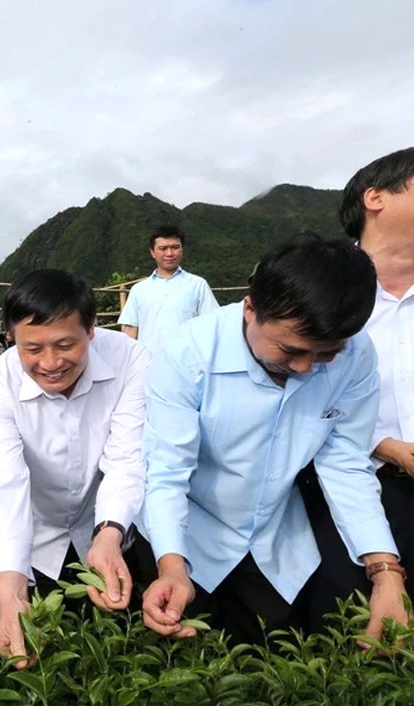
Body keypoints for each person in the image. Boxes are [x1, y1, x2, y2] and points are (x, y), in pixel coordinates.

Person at [139, 235, 408, 646]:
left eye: (324, 356)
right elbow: (166, 471)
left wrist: (386, 571)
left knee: (277, 659)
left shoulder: (355, 356)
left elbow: (345, 462)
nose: (303, 368)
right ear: (250, 308)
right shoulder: (188, 353)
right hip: (189, 532)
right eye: (290, 350)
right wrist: (173, 565)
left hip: (274, 538)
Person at [0, 269, 149, 668]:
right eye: (31, 349)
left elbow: (127, 457)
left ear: (91, 329)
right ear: (10, 338)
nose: (50, 363)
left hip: (109, 530)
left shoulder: (130, 358)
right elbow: (5, 481)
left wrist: (108, 535)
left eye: (65, 345)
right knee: (39, 658)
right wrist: (10, 588)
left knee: (118, 657)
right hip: (33, 542)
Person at [302, 148, 414, 627]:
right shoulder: (320, 289)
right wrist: (387, 446)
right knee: (346, 623)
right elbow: (297, 399)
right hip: (352, 482)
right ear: (375, 198)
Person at [118, 225, 218, 354]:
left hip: (188, 364)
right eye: (163, 248)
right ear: (152, 252)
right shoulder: (139, 290)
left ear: (182, 249)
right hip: (148, 365)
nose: (169, 253)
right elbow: (129, 330)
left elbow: (210, 325)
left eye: (175, 247)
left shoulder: (197, 285)